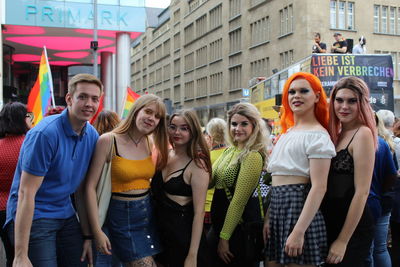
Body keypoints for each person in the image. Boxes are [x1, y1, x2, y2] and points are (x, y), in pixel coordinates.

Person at [5, 73, 103, 267]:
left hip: (65, 214)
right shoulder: (45, 134)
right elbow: (26, 193)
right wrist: (20, 254)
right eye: (82, 96)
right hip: (35, 216)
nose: (89, 104)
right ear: (69, 99)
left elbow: (82, 190)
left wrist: (87, 235)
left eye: (94, 99)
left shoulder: (92, 135)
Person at [85, 94, 168, 266]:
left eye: (157, 116)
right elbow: (90, 187)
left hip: (146, 215)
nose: (152, 118)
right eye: (148, 112)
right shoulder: (108, 140)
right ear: (136, 111)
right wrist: (96, 231)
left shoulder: (149, 142)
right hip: (121, 217)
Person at [264, 72, 335, 267]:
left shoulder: (318, 136)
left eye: (304, 91)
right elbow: (277, 181)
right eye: (291, 91)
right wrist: (270, 216)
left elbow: (319, 187)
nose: (296, 96)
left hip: (299, 211)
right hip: (278, 208)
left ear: (317, 96)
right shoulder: (287, 133)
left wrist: (298, 231)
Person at [322, 76, 377, 266]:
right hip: (330, 221)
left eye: (351, 101)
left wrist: (343, 240)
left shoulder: (362, 134)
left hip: (352, 228)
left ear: (361, 103)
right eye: (339, 100)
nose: (344, 106)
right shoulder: (335, 134)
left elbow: (362, 192)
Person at [209, 103, 269, 267]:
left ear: (254, 126)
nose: (237, 128)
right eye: (234, 124)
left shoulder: (253, 156)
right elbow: (210, 182)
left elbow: (238, 201)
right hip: (219, 226)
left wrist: (224, 238)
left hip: (236, 231)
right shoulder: (229, 151)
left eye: (244, 124)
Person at [151, 109, 211, 267]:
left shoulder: (198, 165)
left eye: (184, 128)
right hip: (160, 237)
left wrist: (192, 255)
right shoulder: (166, 155)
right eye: (173, 127)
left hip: (183, 240)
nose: (177, 132)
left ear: (193, 131)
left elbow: (199, 214)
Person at [0, 102, 31, 267]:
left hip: (1, 209)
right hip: (21, 209)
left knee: (10, 255)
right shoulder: (30, 144)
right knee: (22, 255)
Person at [364, 113, 397, 267]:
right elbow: (392, 175)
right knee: (380, 248)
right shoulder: (385, 143)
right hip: (382, 199)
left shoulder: (379, 144)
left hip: (372, 201)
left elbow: (392, 175)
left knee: (370, 250)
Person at [91, 109, 122, 267]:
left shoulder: (92, 143)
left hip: (97, 206)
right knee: (114, 256)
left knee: (102, 254)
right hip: (115, 204)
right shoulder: (118, 146)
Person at [204, 118, 228, 233]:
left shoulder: (206, 156)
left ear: (210, 136)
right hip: (226, 205)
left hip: (207, 206)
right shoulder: (231, 153)